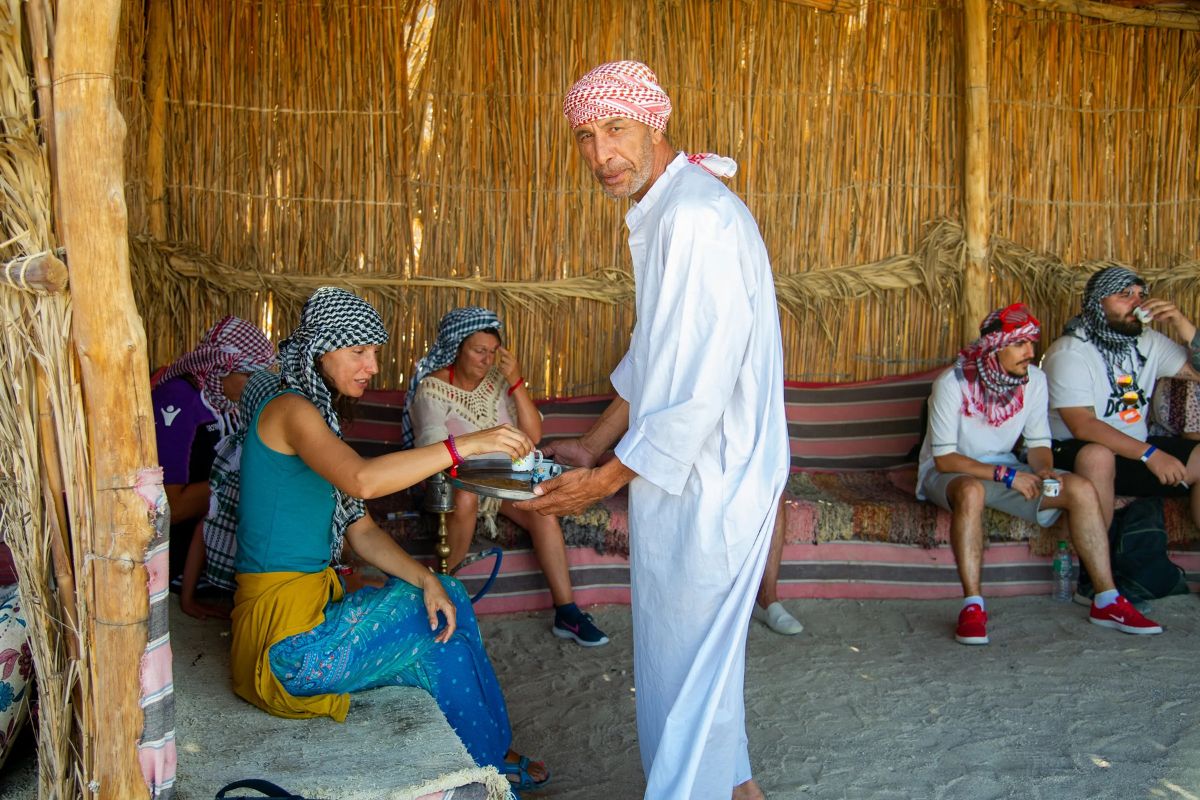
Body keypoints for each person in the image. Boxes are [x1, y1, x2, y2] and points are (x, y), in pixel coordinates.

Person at [518, 61, 788, 800]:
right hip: (687, 476)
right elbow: (658, 357)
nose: (601, 153)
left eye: (616, 129)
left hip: (714, 479)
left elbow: (697, 387)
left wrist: (601, 483)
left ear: (654, 124)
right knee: (694, 668)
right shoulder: (671, 209)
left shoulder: (696, 217)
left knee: (686, 672)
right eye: (585, 136)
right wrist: (594, 444)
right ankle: (737, 790)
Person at [229, 287, 548, 792]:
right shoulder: (291, 410)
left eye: (375, 352)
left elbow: (361, 530)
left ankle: (489, 758)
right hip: (286, 649)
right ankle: (496, 758)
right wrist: (467, 444)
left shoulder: (315, 414)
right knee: (448, 609)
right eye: (358, 352)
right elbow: (362, 481)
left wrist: (427, 579)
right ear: (320, 349)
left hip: (301, 627)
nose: (372, 365)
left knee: (440, 627)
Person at [917, 303, 1162, 645]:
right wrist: (1006, 475)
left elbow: (1037, 442)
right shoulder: (953, 382)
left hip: (1005, 469)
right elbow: (945, 459)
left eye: (1032, 343)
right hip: (950, 472)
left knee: (1079, 489)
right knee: (971, 491)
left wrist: (1045, 469)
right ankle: (973, 607)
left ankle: (1106, 598)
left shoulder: (1034, 380)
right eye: (1020, 345)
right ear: (995, 347)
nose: (1030, 352)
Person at [403, 307, 609, 646]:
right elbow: (430, 448)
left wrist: (515, 382)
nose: (486, 360)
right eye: (478, 351)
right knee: (467, 497)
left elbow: (533, 434)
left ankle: (567, 612)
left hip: (498, 482)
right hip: (449, 483)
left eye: (492, 352)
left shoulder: (498, 382)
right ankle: (439, 594)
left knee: (543, 505)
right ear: (457, 348)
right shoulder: (433, 389)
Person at [1042, 264, 1200, 531]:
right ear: (1097, 302)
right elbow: (1083, 425)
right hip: (1071, 450)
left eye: (1140, 294)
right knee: (1098, 456)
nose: (1137, 302)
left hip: (1133, 451)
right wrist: (1151, 455)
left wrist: (1183, 325)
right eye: (1125, 295)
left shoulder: (1148, 342)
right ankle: (1098, 568)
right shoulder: (1070, 352)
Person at [151, 315, 275, 618]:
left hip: (203, 539)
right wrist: (242, 482)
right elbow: (172, 508)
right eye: (248, 376)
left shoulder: (225, 401)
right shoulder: (177, 398)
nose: (253, 386)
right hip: (173, 553)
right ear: (221, 368)